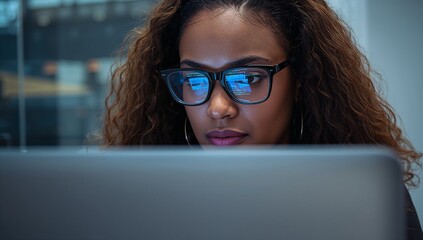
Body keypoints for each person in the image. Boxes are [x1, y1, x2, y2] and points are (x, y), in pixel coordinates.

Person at [103, 0, 422, 238]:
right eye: (196, 80)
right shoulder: (143, 205)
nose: (217, 108)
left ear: (300, 81)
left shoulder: (366, 197)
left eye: (246, 78)